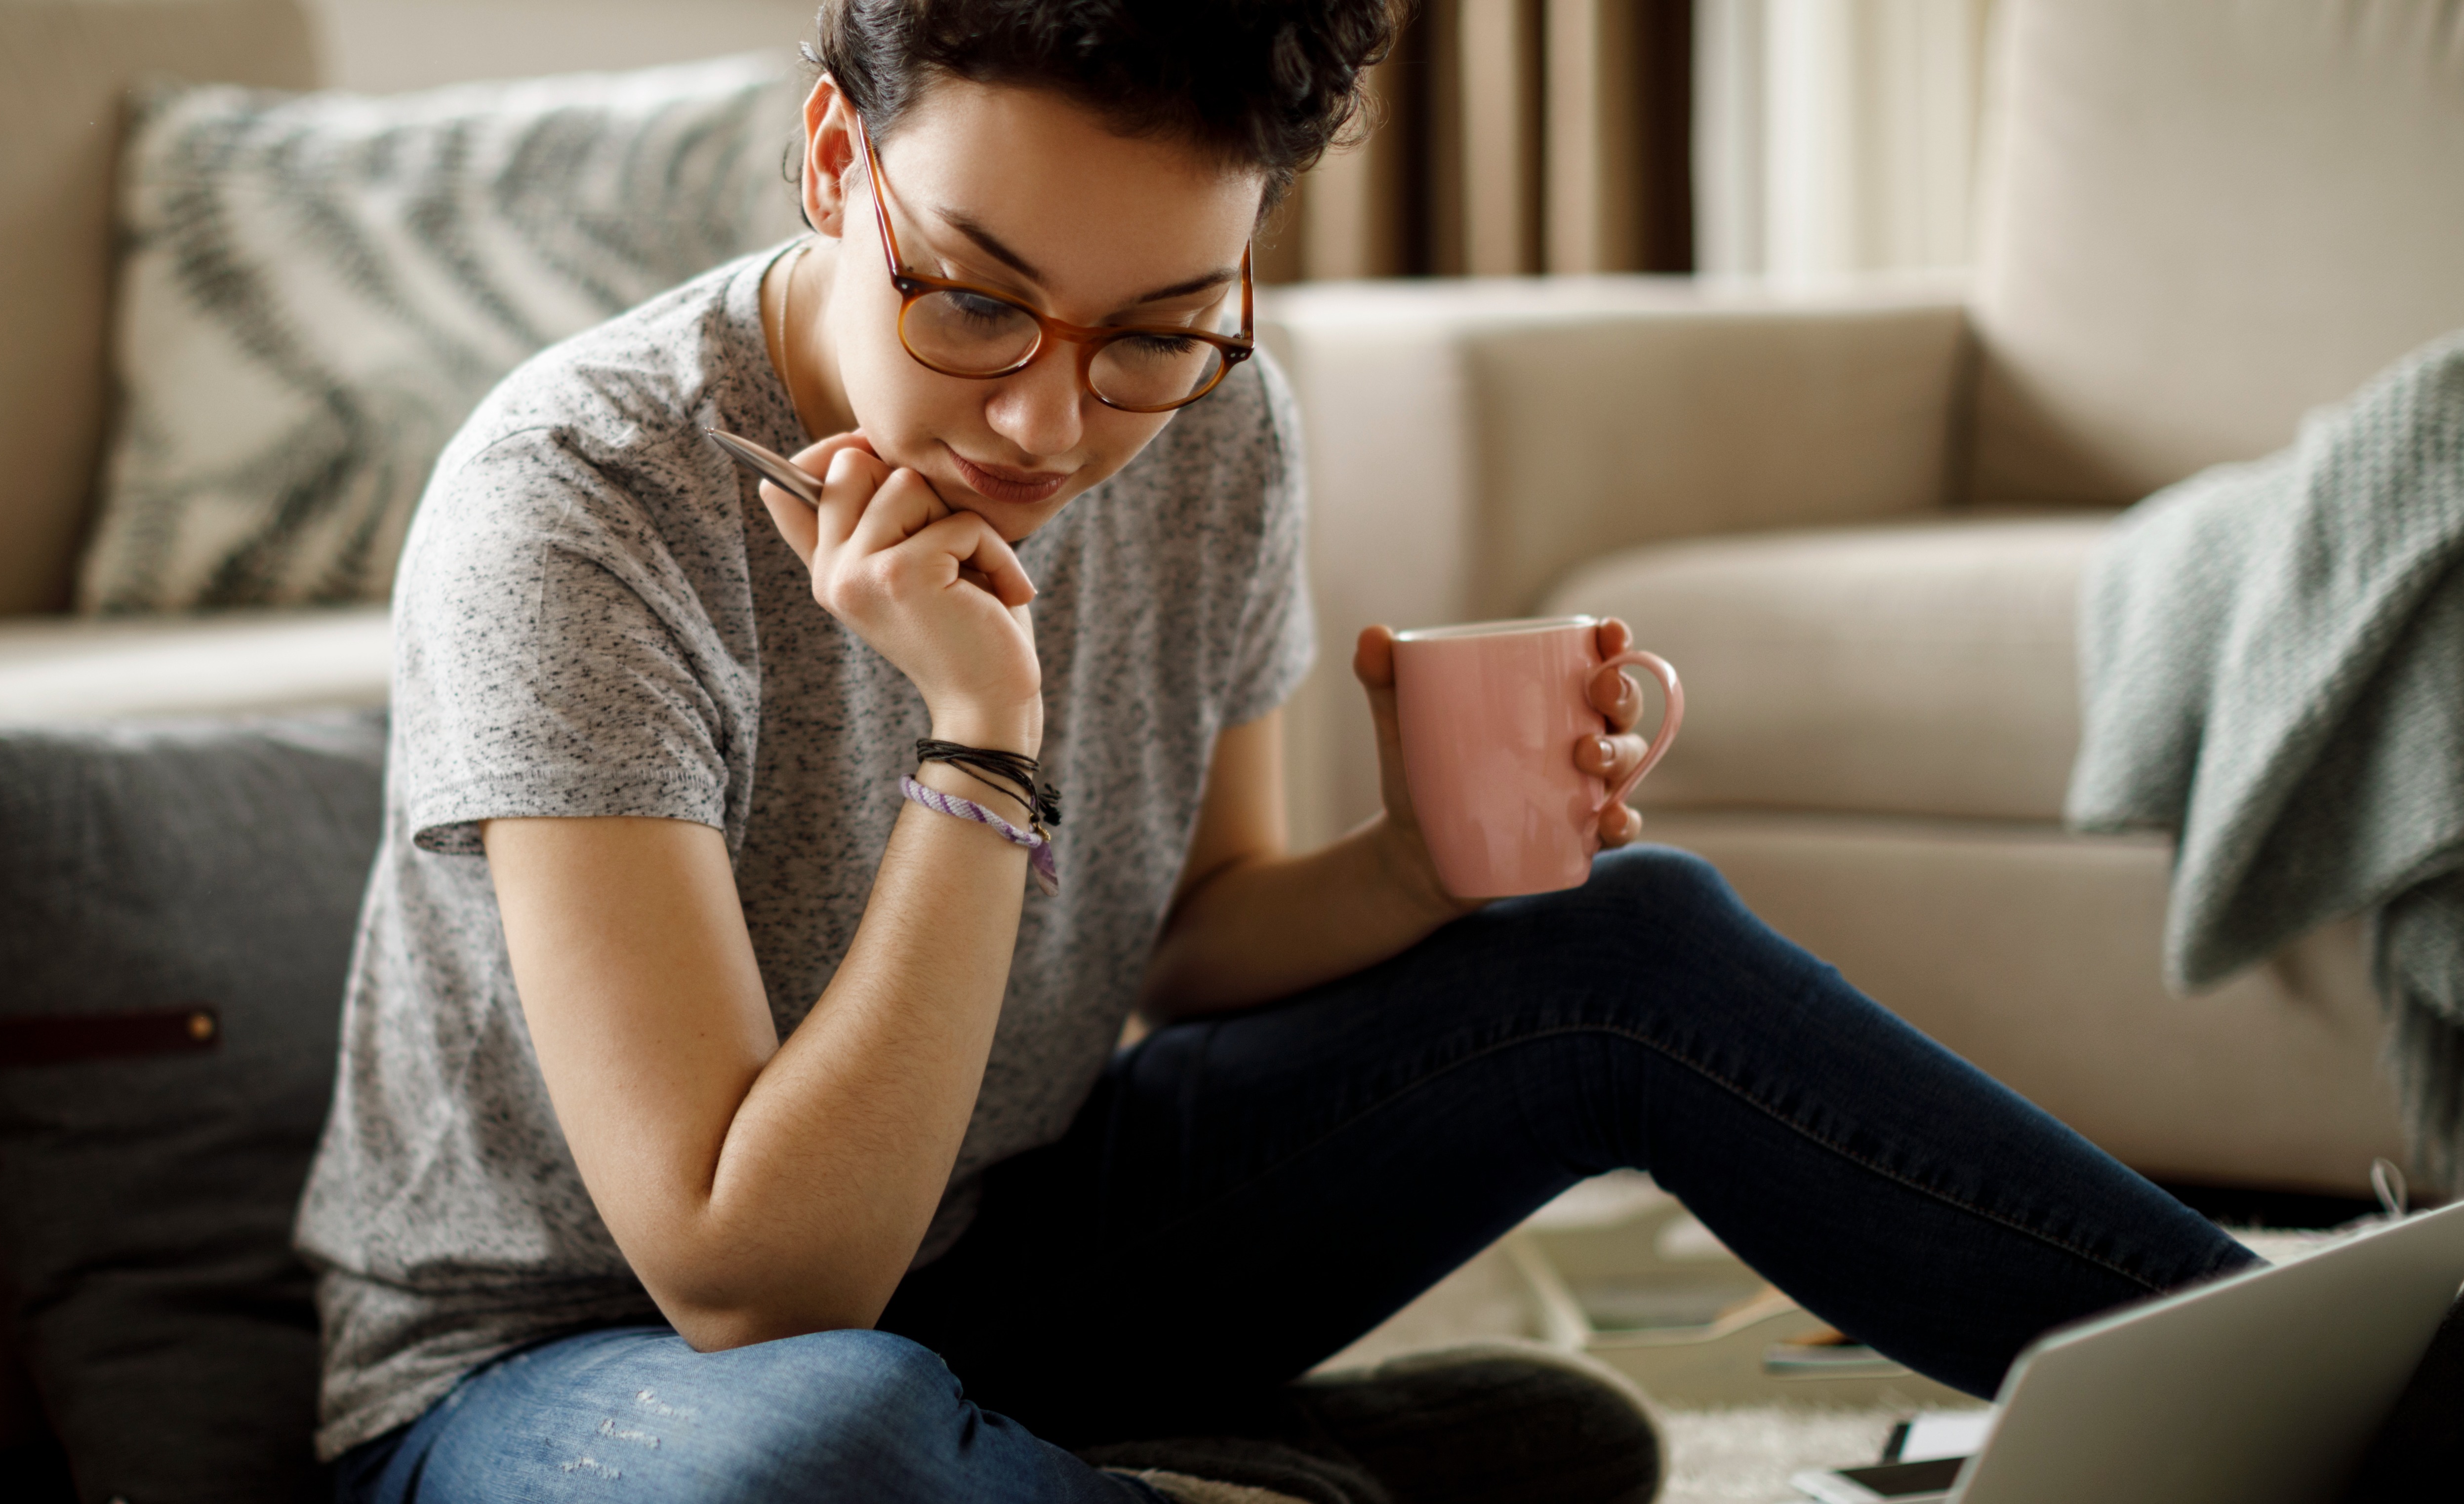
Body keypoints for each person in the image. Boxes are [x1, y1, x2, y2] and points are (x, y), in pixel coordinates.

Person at [296, 2, 2261, 1499]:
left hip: (1010, 1248)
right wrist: (982, 737)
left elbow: (1197, 937)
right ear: (834, 158)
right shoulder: (582, 501)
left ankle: (2319, 1387)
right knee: (825, 1448)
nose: (1055, 424)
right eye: (976, 299)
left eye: (1156, 327)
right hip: (571, 1373)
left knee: (1627, 948)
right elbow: (749, 1276)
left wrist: (1421, 865)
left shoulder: (1220, 420)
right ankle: (1263, 1474)